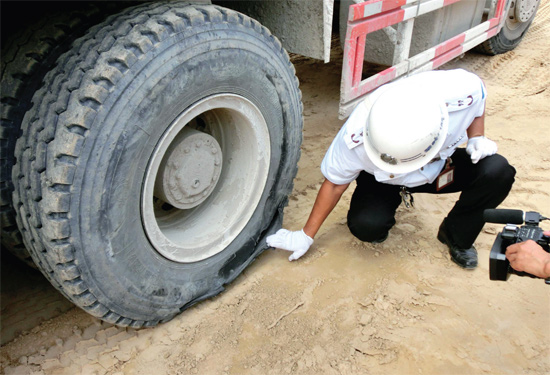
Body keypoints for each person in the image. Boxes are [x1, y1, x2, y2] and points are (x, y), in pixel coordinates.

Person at [267, 69, 516, 269]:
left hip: (440, 166)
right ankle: (385, 204)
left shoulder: (461, 92)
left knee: (498, 171)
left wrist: (476, 138)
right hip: (384, 180)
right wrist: (306, 234)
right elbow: (333, 184)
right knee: (367, 227)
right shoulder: (353, 141)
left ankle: (455, 235)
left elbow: (479, 104)